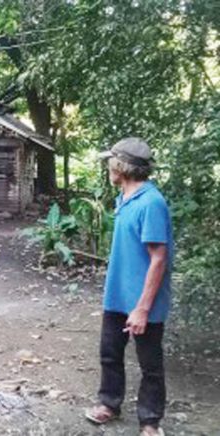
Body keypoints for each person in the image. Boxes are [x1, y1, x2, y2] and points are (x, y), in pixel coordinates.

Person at [85, 138, 173, 436]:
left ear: (121, 166)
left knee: (150, 364)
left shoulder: (151, 203)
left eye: (111, 162)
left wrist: (142, 308)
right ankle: (109, 403)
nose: (108, 167)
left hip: (143, 304)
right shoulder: (124, 198)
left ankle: (150, 422)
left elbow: (158, 259)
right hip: (117, 296)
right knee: (110, 354)